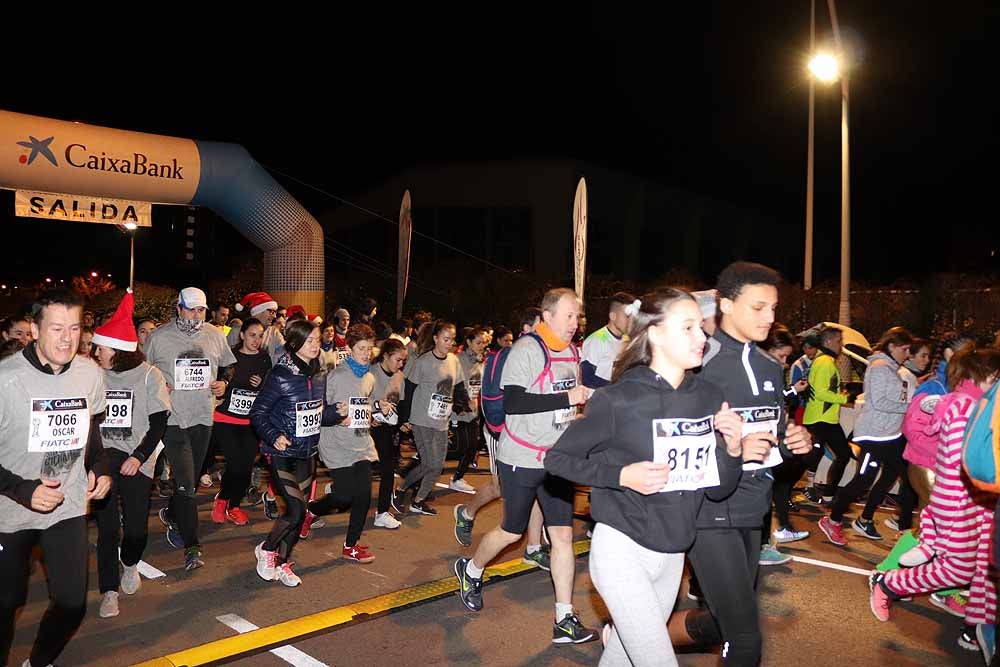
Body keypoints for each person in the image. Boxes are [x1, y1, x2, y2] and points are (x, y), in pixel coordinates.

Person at [546, 287, 746, 666]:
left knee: (622, 658)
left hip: (673, 555)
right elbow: (557, 460)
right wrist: (621, 475)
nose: (701, 337)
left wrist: (732, 451)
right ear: (654, 334)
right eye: (687, 328)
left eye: (700, 328)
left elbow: (719, 489)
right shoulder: (618, 400)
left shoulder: (709, 396)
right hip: (621, 550)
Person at [454, 288, 597, 645]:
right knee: (512, 531)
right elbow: (514, 402)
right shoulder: (526, 350)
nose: (574, 324)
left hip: (557, 459)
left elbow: (567, 403)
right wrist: (567, 397)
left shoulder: (573, 352)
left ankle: (564, 617)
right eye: (568, 316)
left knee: (562, 536)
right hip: (521, 457)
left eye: (577, 317)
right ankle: (471, 570)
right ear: (548, 316)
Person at [0, 289, 112, 667]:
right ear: (33, 329)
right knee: (6, 602)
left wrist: (101, 467)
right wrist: (23, 490)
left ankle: (39, 660)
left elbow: (93, 432)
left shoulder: (90, 373)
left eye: (75, 328)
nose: (67, 338)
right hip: (8, 513)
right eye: (57, 328)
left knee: (71, 603)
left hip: (66, 505)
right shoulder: (5, 379)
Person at [870, 348, 1000, 652]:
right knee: (959, 569)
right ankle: (889, 583)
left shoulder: (973, 404)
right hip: (957, 502)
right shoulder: (964, 405)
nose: (996, 383)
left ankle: (974, 627)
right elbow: (959, 462)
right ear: (978, 375)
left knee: (985, 570)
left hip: (978, 501)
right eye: (994, 377)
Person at [90, 290, 170, 618]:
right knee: (108, 528)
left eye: (100, 346)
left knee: (136, 529)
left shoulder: (150, 375)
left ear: (118, 351)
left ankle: (131, 563)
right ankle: (109, 591)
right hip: (103, 455)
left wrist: (138, 456)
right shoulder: (92, 375)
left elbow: (159, 422)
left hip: (139, 455)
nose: (95, 351)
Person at [144, 287, 236, 571]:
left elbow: (229, 367)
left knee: (190, 483)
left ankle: (172, 514)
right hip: (172, 420)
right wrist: (158, 383)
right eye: (191, 309)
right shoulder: (159, 337)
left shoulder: (214, 334)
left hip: (203, 417)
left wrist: (224, 383)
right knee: (185, 484)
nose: (196, 315)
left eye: (201, 310)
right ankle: (192, 547)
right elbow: (141, 372)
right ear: (178, 308)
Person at [249, 320, 339, 586]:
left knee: (296, 515)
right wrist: (274, 436)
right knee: (297, 510)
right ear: (295, 343)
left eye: (317, 339)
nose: (315, 345)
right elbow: (258, 413)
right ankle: (267, 549)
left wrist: (338, 413)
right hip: (281, 453)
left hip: (307, 452)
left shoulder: (319, 374)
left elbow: (318, 413)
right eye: (309, 340)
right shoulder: (280, 375)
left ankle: (283, 562)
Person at [818, 327, 914, 545]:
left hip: (890, 435)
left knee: (907, 478)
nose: (907, 354)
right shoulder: (880, 367)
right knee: (862, 481)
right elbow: (879, 402)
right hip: (873, 436)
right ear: (892, 346)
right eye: (905, 349)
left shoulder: (892, 368)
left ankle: (895, 529)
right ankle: (832, 520)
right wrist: (910, 406)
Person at [308, 323, 393, 563]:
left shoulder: (369, 378)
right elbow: (319, 413)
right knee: (344, 495)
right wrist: (337, 418)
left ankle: (351, 545)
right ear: (350, 348)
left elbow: (363, 407)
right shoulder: (334, 376)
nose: (367, 354)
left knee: (364, 495)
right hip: (335, 443)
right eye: (362, 348)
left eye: (370, 349)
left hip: (361, 442)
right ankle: (312, 510)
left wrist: (377, 409)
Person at [396, 320, 471, 516]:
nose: (449, 343)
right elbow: (409, 390)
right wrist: (404, 418)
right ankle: (404, 491)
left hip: (442, 420)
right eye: (446, 339)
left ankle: (415, 498)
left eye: (452, 340)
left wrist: (464, 403)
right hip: (421, 419)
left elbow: (459, 386)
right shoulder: (422, 362)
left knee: (436, 465)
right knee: (430, 463)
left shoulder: (453, 361)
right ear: (436, 338)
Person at [211, 318, 272, 527]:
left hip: (251, 422)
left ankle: (234, 505)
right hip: (226, 419)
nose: (256, 340)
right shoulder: (230, 357)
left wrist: (262, 383)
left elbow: (270, 388)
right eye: (252, 335)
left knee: (245, 469)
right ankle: (221, 500)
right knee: (236, 465)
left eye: (260, 335)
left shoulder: (264, 359)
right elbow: (219, 382)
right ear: (243, 335)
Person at [801, 325, 852, 503]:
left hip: (822, 418)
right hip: (821, 419)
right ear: (828, 342)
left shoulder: (824, 361)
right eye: (839, 341)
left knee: (814, 455)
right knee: (841, 455)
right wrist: (843, 399)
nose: (841, 345)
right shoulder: (825, 363)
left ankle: (817, 490)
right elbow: (821, 392)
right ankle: (826, 494)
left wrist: (839, 394)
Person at [370, 338, 406, 529]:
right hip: (367, 427)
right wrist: (369, 416)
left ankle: (382, 512)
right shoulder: (370, 373)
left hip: (386, 429)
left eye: (403, 361)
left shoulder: (399, 376)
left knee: (388, 469)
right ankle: (336, 488)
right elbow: (360, 398)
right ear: (385, 355)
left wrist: (402, 422)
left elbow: (400, 403)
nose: (400, 364)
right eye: (397, 360)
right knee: (361, 471)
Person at [450, 326, 488, 493]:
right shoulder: (457, 359)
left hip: (473, 411)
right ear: (468, 342)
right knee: (458, 447)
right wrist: (462, 402)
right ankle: (419, 464)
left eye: (484, 343)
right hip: (458, 410)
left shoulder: (481, 361)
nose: (482, 346)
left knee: (472, 445)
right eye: (478, 342)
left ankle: (457, 478)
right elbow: (452, 384)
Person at [580, 291, 636, 389]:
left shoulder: (628, 340)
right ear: (612, 316)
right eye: (627, 316)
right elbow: (586, 378)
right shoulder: (596, 340)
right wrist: (615, 387)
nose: (631, 321)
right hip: (598, 401)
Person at [235, 292, 282, 362]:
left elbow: (283, 353)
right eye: (271, 311)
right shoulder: (236, 331)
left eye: (260, 336)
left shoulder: (274, 333)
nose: (274, 316)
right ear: (259, 311)